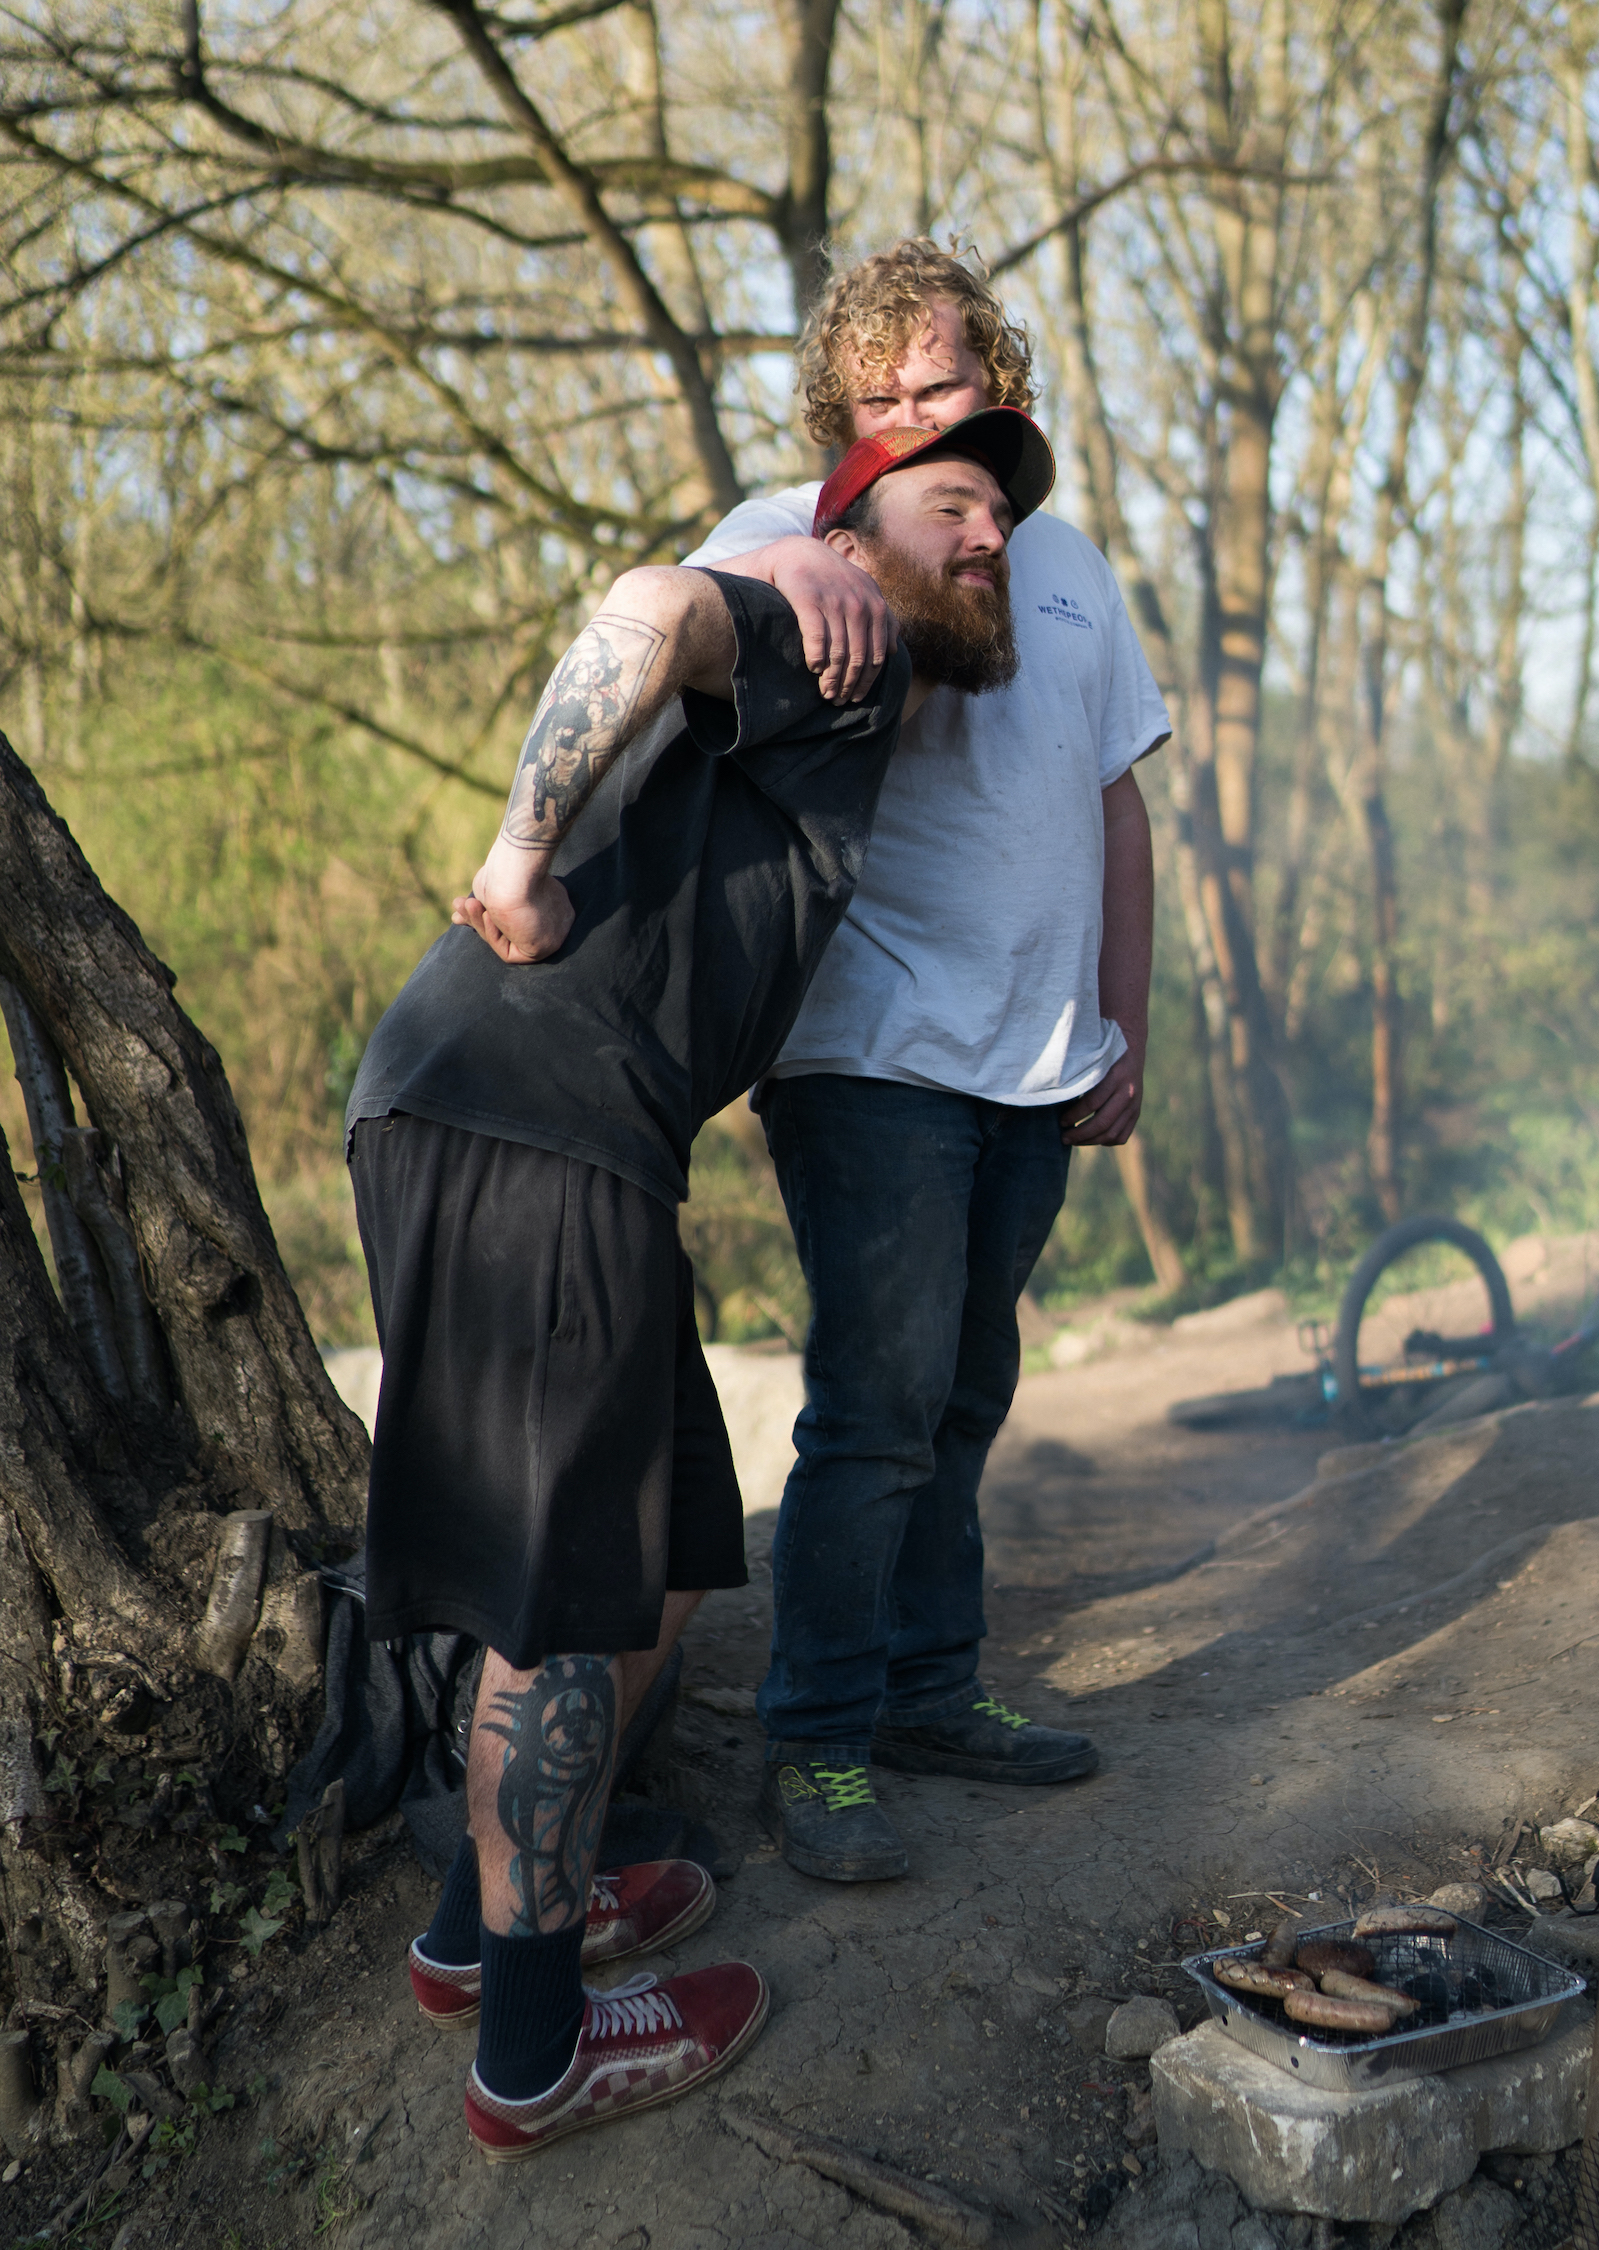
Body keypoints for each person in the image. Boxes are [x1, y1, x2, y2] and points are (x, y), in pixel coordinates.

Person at [342, 404, 1055, 2160]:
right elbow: (654, 611)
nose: (988, 540)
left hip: (560, 1129)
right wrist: (517, 846)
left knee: (664, 1533)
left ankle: (474, 1925)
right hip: (540, 1126)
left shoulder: (848, 651)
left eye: (1004, 523)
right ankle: (534, 2050)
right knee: (561, 1603)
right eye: (954, 503)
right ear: (856, 524)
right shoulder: (839, 626)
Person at [683, 240, 1170, 1884]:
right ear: (841, 416)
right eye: (875, 394)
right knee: (878, 1407)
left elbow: (1117, 803)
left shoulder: (1077, 567)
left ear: (1000, 389)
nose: (907, 414)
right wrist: (806, 568)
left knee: (964, 1397)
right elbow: (701, 604)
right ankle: (816, 1741)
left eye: (938, 386)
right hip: (869, 1049)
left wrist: (1128, 1021)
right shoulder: (794, 526)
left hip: (1038, 1057)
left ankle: (931, 1690)